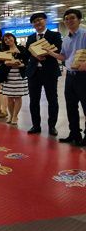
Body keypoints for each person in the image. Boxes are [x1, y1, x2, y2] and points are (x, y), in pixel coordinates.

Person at [45, 9, 86, 146]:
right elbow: (64, 57)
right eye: (66, 19)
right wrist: (51, 53)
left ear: (79, 19)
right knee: (71, 106)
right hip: (70, 76)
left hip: (84, 75)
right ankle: (74, 134)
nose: (69, 21)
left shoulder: (85, 34)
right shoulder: (66, 38)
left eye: (72, 18)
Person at [25, 13, 62, 136]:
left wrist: (44, 54)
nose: (37, 23)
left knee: (52, 99)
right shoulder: (30, 38)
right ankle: (36, 125)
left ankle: (52, 126)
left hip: (50, 72)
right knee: (33, 100)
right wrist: (34, 56)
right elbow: (27, 54)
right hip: (34, 73)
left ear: (45, 21)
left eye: (39, 20)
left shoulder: (54, 35)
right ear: (32, 24)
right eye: (34, 21)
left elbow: (58, 49)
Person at [0, 33, 28, 125]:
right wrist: (6, 63)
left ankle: (15, 116)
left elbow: (27, 62)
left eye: (9, 38)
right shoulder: (4, 51)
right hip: (8, 76)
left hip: (19, 76)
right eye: (5, 40)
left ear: (13, 38)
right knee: (10, 97)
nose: (8, 40)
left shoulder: (22, 49)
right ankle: (11, 115)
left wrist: (20, 64)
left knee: (18, 96)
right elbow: (0, 62)